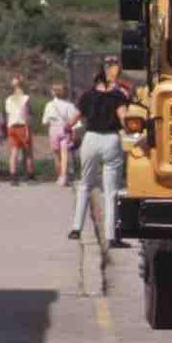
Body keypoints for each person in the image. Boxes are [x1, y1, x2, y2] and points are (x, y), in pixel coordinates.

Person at [66, 69, 130, 248]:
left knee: (85, 184)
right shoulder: (118, 96)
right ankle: (111, 236)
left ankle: (76, 228)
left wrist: (68, 130)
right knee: (111, 191)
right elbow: (123, 118)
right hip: (110, 138)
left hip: (91, 138)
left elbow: (72, 121)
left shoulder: (87, 96)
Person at [42, 84, 79, 186]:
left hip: (53, 129)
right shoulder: (69, 105)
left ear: (53, 93)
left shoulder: (49, 105)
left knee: (56, 155)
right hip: (65, 129)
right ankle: (64, 176)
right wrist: (74, 133)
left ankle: (59, 175)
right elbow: (74, 121)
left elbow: (45, 121)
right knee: (65, 154)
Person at [4, 76, 35, 184]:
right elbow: (26, 114)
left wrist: (7, 128)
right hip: (23, 126)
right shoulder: (26, 98)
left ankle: (13, 177)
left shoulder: (8, 99)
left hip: (11, 127)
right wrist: (29, 127)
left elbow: (8, 115)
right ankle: (30, 176)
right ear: (23, 86)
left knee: (14, 152)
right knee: (28, 152)